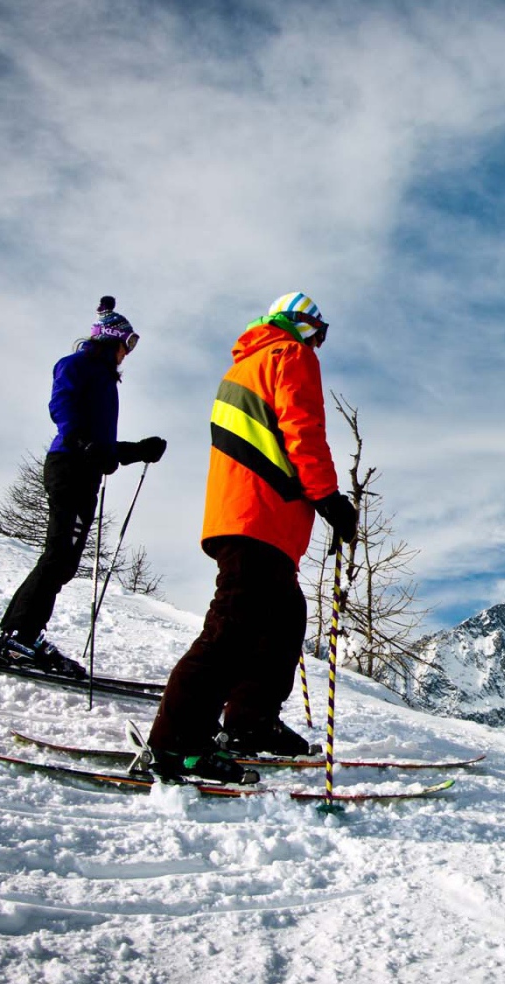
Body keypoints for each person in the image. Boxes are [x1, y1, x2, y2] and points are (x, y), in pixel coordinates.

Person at [141, 292, 357, 783]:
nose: (320, 345)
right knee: (233, 628)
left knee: (283, 619)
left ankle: (250, 724)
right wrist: (329, 498)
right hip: (260, 515)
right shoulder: (289, 355)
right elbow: (303, 428)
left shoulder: (242, 368)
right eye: (320, 333)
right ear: (302, 325)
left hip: (250, 515)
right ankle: (175, 743)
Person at [0, 296, 166, 676]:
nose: (128, 354)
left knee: (63, 559)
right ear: (112, 339)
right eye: (128, 344)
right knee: (60, 556)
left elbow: (102, 450)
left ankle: (18, 634)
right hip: (69, 467)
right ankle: (19, 637)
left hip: (83, 471)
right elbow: (62, 407)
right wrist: (82, 442)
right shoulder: (77, 365)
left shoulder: (105, 381)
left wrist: (137, 451)